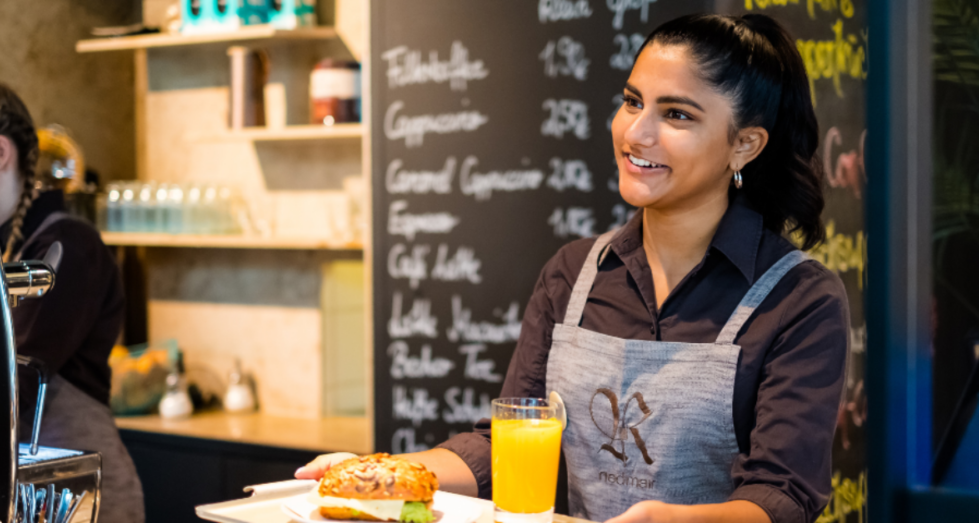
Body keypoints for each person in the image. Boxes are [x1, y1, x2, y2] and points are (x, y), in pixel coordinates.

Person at [299, 13, 848, 523]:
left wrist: (667, 519)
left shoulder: (799, 299)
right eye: (632, 102)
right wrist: (379, 473)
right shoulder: (573, 273)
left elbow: (782, 497)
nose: (636, 133)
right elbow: (502, 445)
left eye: (676, 114)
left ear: (745, 145)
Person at [0, 82, 145, 522]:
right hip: (24, 498)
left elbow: (10, 378)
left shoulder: (68, 247)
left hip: (80, 500)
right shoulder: (4, 250)